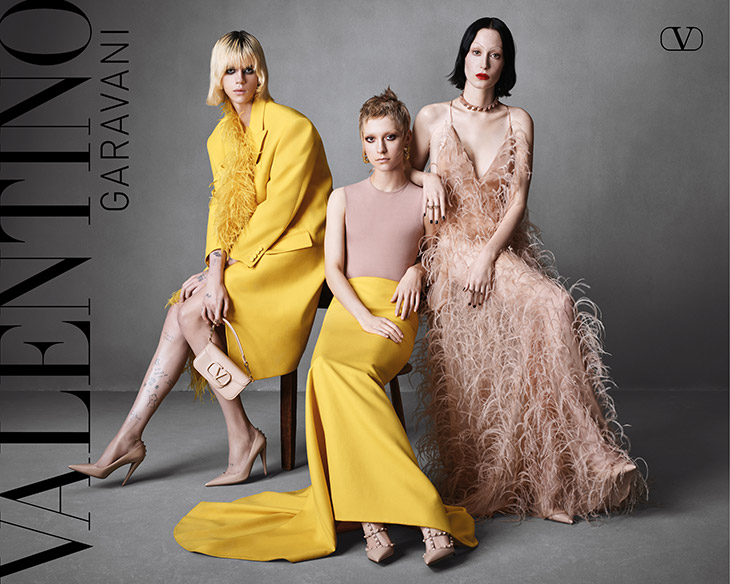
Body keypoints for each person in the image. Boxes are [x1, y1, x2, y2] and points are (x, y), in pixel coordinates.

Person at [173, 89, 478, 565]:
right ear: (362, 145)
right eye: (371, 139)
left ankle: (409, 516)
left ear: (405, 141)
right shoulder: (343, 199)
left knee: (346, 376)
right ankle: (379, 518)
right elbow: (333, 271)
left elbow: (437, 255)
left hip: (395, 308)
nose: (380, 147)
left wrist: (418, 271)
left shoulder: (427, 196)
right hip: (350, 310)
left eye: (390, 137)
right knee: (327, 371)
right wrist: (362, 317)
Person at [409, 17, 647, 523]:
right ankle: (567, 473)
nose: (483, 63)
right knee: (542, 317)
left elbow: (517, 200)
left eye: (495, 55)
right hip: (450, 250)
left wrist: (489, 257)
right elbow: (393, 169)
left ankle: (570, 474)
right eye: (476, 52)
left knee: (554, 307)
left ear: (506, 64)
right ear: (463, 56)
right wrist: (423, 178)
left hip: (496, 250)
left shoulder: (519, 120)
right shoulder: (432, 117)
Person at [69, 31, 331, 487]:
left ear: (261, 74)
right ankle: (131, 436)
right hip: (251, 253)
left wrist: (222, 273)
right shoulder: (220, 138)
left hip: (294, 253)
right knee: (182, 311)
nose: (240, 79)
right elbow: (221, 209)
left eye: (248, 69)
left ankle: (240, 436)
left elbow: (277, 212)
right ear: (218, 77)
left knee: (192, 314)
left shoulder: (294, 127)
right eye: (230, 70)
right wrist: (214, 268)